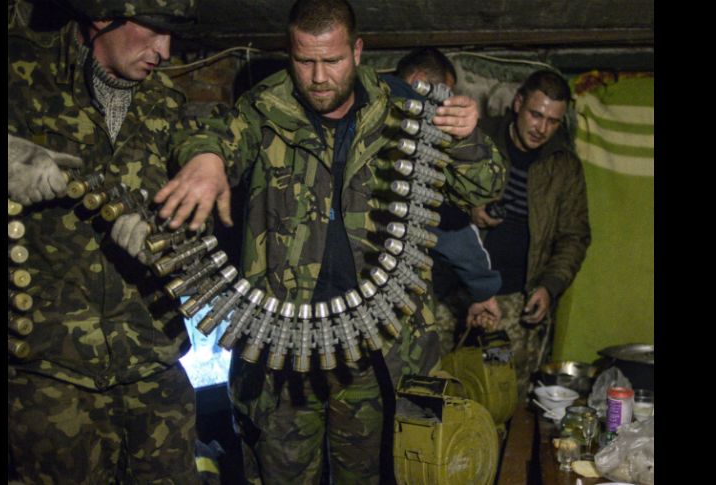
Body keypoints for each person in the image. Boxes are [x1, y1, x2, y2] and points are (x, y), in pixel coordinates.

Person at [152, 1, 505, 483]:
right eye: (304, 61)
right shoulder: (262, 109)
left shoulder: (401, 111)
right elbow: (215, 136)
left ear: (357, 51)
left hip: (375, 351)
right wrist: (207, 157)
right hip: (282, 354)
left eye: (332, 60)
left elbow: (483, 189)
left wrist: (466, 137)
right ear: (289, 53)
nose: (319, 77)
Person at [7, 1, 203, 482]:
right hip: (52, 371)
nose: (165, 50)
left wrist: (165, 238)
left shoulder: (167, 102)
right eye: (154, 31)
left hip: (152, 359)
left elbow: (195, 215)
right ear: (102, 16)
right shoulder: (20, 71)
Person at [472, 70, 591, 400]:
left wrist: (550, 286)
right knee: (438, 391)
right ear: (518, 103)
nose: (542, 128)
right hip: (453, 295)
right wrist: (471, 212)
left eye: (553, 121)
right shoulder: (476, 139)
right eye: (536, 115)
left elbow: (574, 235)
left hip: (512, 306)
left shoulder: (563, 165)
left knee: (500, 397)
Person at [382, 47, 502, 355]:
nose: (444, 106)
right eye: (443, 94)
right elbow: (448, 222)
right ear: (420, 80)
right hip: (390, 307)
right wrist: (483, 289)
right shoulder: (417, 134)